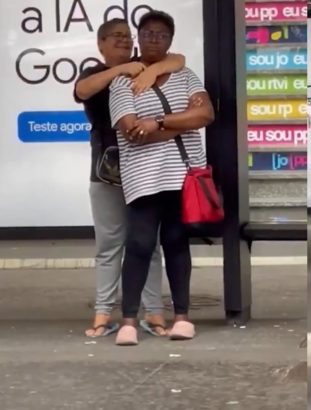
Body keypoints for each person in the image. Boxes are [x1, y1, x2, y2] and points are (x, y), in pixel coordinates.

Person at [74, 18, 187, 338]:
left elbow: (179, 60)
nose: (123, 40)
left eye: (127, 36)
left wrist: (148, 70)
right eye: (115, 36)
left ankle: (153, 313)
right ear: (101, 44)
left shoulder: (145, 66)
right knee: (109, 245)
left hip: (146, 168)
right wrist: (121, 70)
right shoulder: (95, 73)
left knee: (147, 244)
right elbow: (81, 91)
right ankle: (102, 313)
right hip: (107, 173)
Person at [109, 10, 215, 345]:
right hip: (142, 177)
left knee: (176, 243)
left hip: (182, 176)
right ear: (139, 37)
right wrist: (178, 122)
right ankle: (128, 321)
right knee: (139, 245)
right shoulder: (123, 81)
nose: (154, 39)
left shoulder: (185, 76)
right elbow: (130, 131)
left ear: (170, 40)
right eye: (148, 33)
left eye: (162, 35)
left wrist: (155, 123)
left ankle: (182, 318)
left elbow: (206, 113)